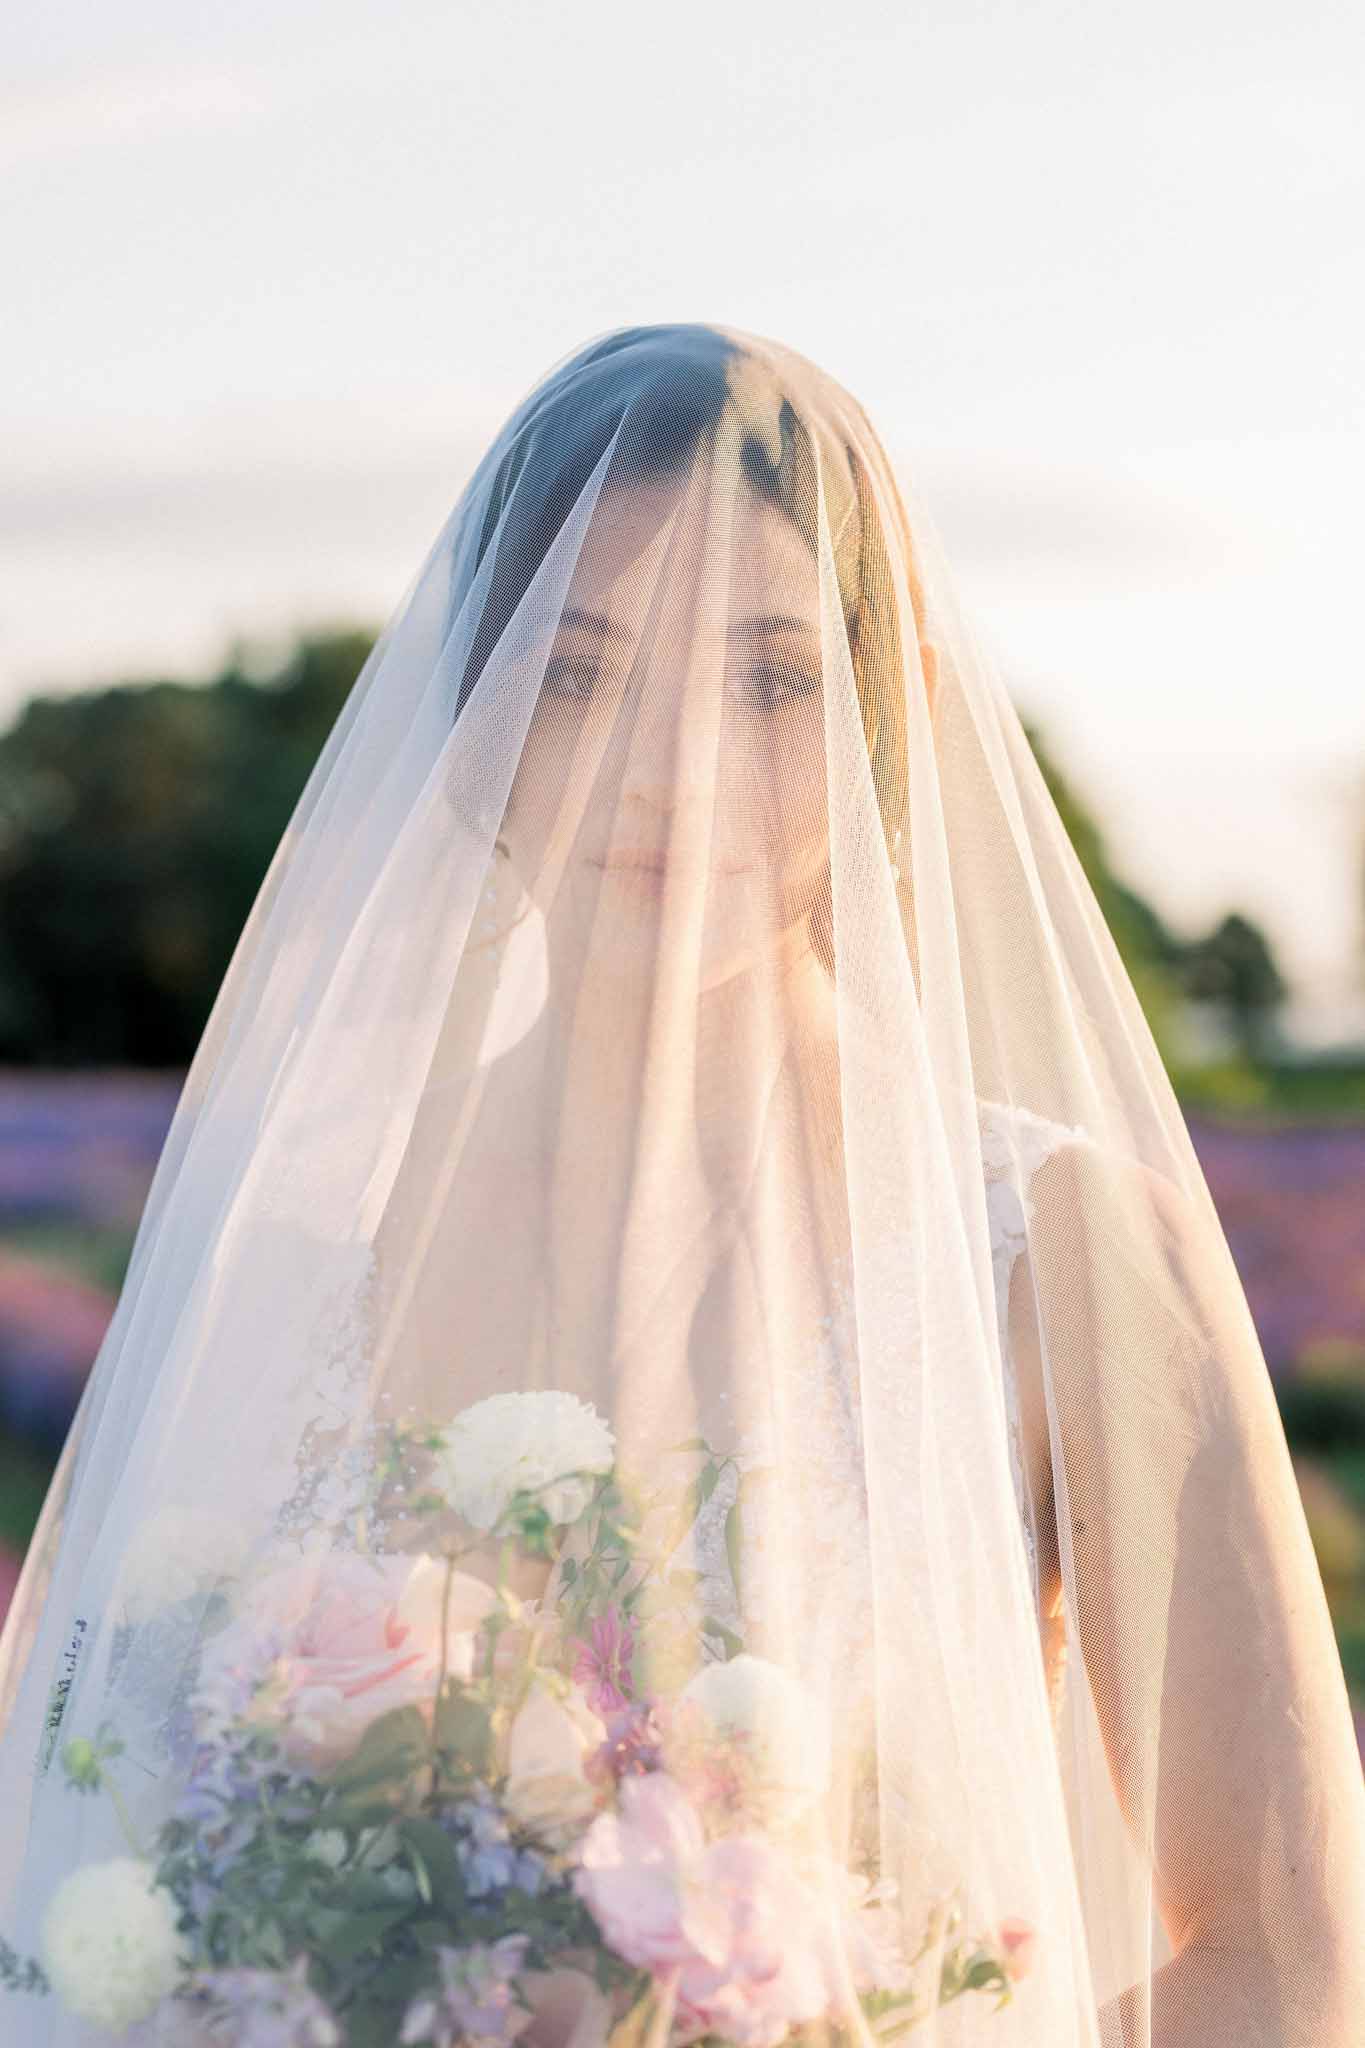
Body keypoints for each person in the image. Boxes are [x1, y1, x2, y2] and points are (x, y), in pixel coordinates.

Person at [0, 322, 1361, 2047]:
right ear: (471, 713)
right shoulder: (309, 1242)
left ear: (892, 700)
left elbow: (1282, 1953)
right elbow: (101, 1871)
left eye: (768, 677)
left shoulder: (1055, 1254)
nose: (669, 768)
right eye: (576, 676)